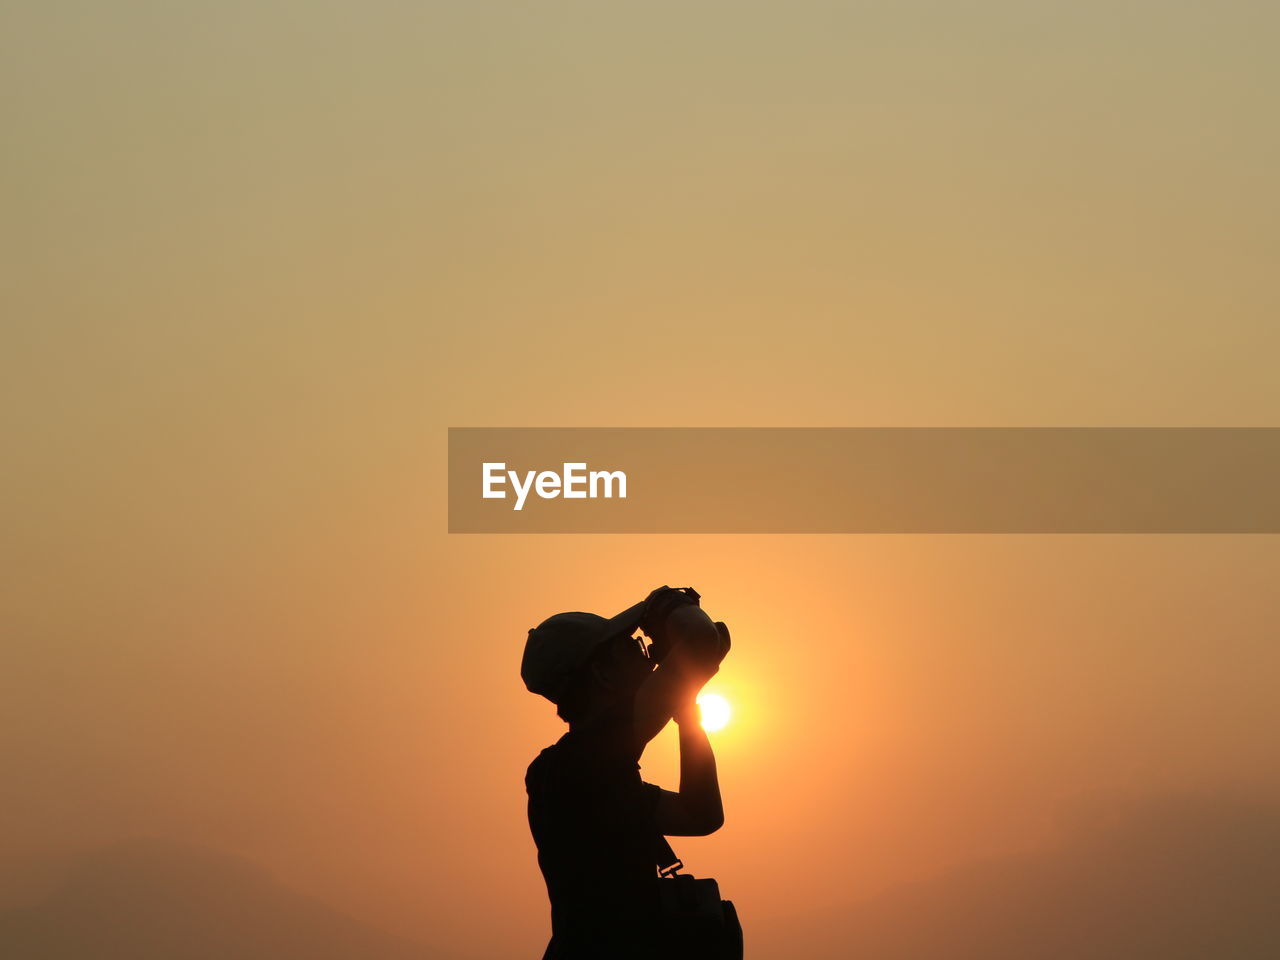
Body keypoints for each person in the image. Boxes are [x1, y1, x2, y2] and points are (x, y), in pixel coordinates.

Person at [522, 586, 732, 959]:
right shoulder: (584, 763)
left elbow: (699, 815)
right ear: (603, 674)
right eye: (629, 645)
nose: (644, 652)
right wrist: (669, 603)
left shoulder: (576, 771)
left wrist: (686, 709)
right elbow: (700, 641)